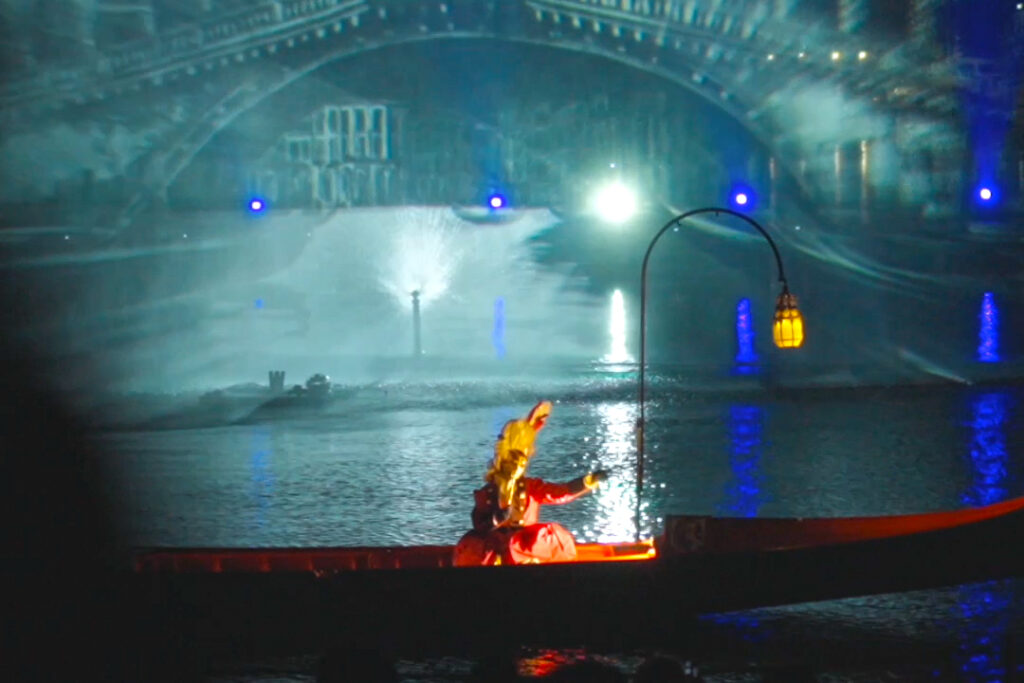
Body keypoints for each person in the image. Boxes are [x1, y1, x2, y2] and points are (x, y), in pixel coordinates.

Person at [453, 400, 607, 566]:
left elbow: (560, 493)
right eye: (512, 463)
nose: (518, 467)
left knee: (548, 538)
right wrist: (497, 520)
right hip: (494, 546)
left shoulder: (530, 487)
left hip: (525, 545)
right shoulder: (488, 492)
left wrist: (587, 482)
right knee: (477, 547)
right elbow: (479, 523)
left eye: (520, 462)